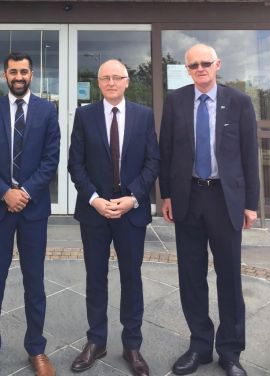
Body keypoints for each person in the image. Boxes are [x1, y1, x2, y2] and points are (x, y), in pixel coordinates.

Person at [159, 43, 260, 376]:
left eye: (205, 63)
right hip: (188, 197)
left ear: (217, 65)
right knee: (191, 276)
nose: (200, 69)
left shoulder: (239, 102)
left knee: (229, 277)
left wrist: (250, 204)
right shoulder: (175, 101)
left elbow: (249, 155)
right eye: (193, 65)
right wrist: (167, 194)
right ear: (186, 69)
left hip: (224, 199)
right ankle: (199, 346)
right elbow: (167, 150)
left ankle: (230, 351)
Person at [0, 52, 60, 376]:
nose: (18, 76)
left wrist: (24, 193)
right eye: (13, 71)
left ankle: (36, 349)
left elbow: (51, 159)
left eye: (23, 71)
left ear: (32, 74)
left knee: (34, 282)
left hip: (33, 211)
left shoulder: (47, 110)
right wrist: (3, 192)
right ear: (4, 74)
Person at [68, 59, 159, 376]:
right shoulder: (84, 115)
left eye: (116, 77)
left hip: (130, 213)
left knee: (131, 279)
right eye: (104, 77)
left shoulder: (144, 116)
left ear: (127, 81)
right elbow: (75, 165)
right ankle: (96, 341)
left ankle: (132, 345)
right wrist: (94, 200)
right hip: (95, 214)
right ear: (98, 82)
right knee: (96, 278)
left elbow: (152, 162)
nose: (110, 82)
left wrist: (133, 197)